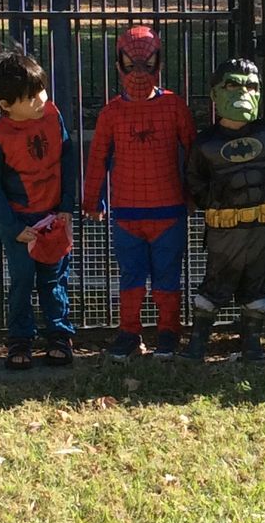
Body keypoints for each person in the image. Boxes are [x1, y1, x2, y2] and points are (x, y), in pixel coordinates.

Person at [83, 26, 195, 360]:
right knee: (131, 278)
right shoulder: (112, 113)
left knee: (167, 278)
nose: (139, 74)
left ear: (158, 62)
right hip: (127, 213)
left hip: (168, 211)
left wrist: (193, 195)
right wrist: (92, 200)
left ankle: (168, 332)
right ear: (120, 64)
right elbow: (97, 157)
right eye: (132, 65)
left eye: (146, 65)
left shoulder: (174, 106)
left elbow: (193, 153)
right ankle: (129, 333)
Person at [185, 57, 265, 362]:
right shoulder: (205, 143)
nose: (243, 92)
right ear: (216, 93)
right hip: (225, 231)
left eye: (251, 85)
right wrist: (215, 202)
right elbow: (193, 180)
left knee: (259, 283)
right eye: (233, 84)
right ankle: (197, 345)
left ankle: (252, 346)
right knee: (215, 283)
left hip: (264, 227)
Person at [0, 51, 78, 370]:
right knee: (22, 280)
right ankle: (20, 339)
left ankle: (59, 336)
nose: (41, 100)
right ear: (6, 105)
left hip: (53, 216)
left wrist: (66, 207)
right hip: (20, 222)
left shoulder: (53, 114)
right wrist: (11, 227)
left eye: (41, 91)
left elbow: (66, 158)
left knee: (54, 278)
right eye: (31, 97)